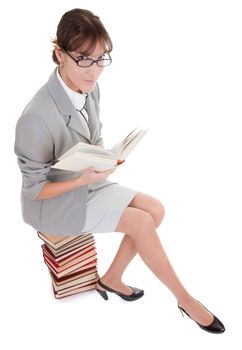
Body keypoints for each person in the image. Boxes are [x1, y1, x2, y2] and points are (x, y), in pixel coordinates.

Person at [14, 8, 225, 334]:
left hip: (85, 182)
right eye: (84, 58)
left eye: (101, 59)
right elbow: (33, 189)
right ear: (59, 54)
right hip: (52, 203)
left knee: (155, 209)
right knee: (141, 222)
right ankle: (185, 299)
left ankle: (112, 278)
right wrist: (85, 177)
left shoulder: (89, 86)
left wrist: (107, 157)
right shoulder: (35, 117)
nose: (94, 70)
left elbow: (91, 138)